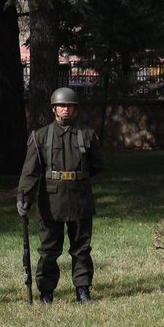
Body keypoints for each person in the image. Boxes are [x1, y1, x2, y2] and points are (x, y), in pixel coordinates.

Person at [16, 88, 106, 303]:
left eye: (69, 105)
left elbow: (98, 164)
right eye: (61, 105)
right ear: (54, 108)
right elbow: (30, 172)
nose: (66, 109)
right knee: (48, 249)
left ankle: (82, 289)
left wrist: (78, 178)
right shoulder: (40, 136)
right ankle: (46, 291)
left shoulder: (87, 134)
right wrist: (24, 198)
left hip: (80, 199)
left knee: (81, 248)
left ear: (75, 108)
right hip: (51, 200)